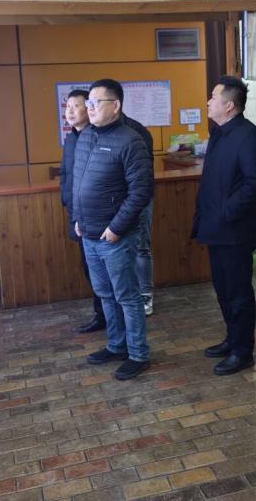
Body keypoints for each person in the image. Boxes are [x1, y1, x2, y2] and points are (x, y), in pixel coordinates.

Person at [72, 78, 153, 381]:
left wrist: (116, 228)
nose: (89, 108)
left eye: (96, 103)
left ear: (115, 105)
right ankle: (116, 345)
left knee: (127, 297)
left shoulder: (131, 140)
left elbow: (140, 192)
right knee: (105, 294)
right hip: (88, 233)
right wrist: (78, 219)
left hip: (114, 236)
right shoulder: (85, 136)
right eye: (88, 103)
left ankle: (138, 353)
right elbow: (78, 182)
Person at [193, 75, 256, 376]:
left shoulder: (249, 136)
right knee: (223, 289)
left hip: (234, 229)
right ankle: (232, 338)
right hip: (215, 227)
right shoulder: (219, 133)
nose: (208, 102)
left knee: (238, 292)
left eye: (213, 97)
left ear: (229, 105)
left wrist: (227, 211)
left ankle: (243, 351)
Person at [61, 90, 105, 334]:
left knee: (100, 271)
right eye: (67, 106)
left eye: (75, 106)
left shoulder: (96, 136)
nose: (69, 111)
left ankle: (108, 317)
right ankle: (101, 315)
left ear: (89, 109)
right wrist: (65, 198)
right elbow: (65, 173)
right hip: (76, 214)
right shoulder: (71, 138)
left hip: (95, 215)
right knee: (89, 268)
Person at [122, 113, 156, 316]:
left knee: (141, 247)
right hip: (115, 200)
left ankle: (145, 294)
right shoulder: (97, 131)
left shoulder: (136, 131)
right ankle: (127, 295)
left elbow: (143, 173)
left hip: (138, 198)